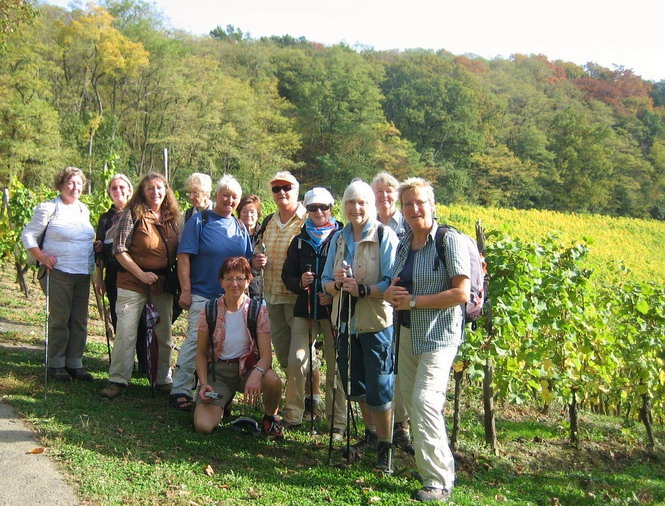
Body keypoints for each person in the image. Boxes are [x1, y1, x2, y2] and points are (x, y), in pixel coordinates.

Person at [383, 177, 470, 502]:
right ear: (402, 209)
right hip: (406, 334)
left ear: (432, 205)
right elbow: (394, 282)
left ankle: (438, 480)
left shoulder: (449, 241)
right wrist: (391, 293)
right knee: (412, 401)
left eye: (420, 202)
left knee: (424, 402)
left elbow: (461, 293)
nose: (414, 208)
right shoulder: (405, 242)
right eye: (408, 204)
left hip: (438, 336)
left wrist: (415, 301)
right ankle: (429, 470)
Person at [322, 179, 398, 472]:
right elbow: (326, 281)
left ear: (371, 206)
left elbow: (391, 282)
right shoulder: (339, 238)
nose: (356, 208)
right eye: (351, 203)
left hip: (375, 323)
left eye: (362, 203)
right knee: (356, 384)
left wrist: (363, 290)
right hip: (345, 322)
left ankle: (386, 448)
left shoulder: (385, 236)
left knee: (379, 387)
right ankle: (370, 435)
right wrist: (337, 284)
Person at [170, 175, 253, 411]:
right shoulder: (200, 221)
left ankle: (208, 389)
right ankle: (180, 389)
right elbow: (184, 256)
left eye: (234, 197)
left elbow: (246, 262)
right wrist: (186, 290)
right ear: (216, 195)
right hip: (203, 295)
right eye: (225, 195)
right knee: (196, 342)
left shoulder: (239, 226)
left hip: (231, 300)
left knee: (221, 347)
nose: (229, 200)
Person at [101, 172, 180, 399]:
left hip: (162, 284)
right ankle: (118, 380)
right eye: (150, 188)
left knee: (164, 334)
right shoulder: (132, 213)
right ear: (143, 192)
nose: (155, 192)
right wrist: (141, 274)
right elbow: (119, 250)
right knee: (126, 333)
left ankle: (163, 378)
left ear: (166, 191)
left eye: (159, 188)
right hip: (132, 282)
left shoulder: (173, 217)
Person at [193, 257, 284, 439]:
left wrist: (257, 374)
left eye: (240, 278)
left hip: (248, 370)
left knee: (273, 380)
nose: (234, 284)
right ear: (221, 282)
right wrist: (204, 383)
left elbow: (267, 356)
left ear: (248, 281)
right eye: (228, 278)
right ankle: (223, 403)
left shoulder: (258, 311)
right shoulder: (209, 310)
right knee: (203, 427)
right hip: (219, 373)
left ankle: (271, 418)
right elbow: (201, 353)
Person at [281, 187, 346, 437]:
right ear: (306, 210)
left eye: (323, 207)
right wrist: (300, 282)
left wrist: (332, 293)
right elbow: (287, 275)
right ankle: (293, 415)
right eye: (312, 208)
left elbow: (350, 273)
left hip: (333, 312)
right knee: (296, 360)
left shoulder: (342, 238)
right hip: (305, 309)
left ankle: (336, 422)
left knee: (336, 365)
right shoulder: (299, 241)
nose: (319, 212)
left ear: (331, 207)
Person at [21, 166, 96, 382]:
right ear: (61, 184)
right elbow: (28, 235)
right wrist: (42, 257)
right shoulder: (49, 208)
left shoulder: (83, 209)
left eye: (79, 183)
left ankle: (75, 363)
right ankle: (56, 363)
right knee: (60, 319)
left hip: (83, 272)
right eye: (71, 183)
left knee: (79, 321)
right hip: (59, 273)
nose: (75, 187)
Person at [252, 171, 309, 419]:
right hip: (272, 296)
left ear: (297, 191)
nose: (282, 193)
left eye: (287, 188)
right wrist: (257, 260)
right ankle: (306, 397)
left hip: (297, 298)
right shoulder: (269, 221)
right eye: (276, 189)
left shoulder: (307, 219)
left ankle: (302, 406)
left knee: (300, 356)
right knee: (286, 355)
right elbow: (257, 251)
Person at [371, 172, 412, 451]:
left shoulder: (407, 224)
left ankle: (402, 426)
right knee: (383, 364)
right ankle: (379, 427)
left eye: (388, 192)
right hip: (374, 303)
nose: (384, 197)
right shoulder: (369, 225)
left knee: (402, 363)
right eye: (379, 192)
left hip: (401, 302)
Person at [95, 174, 133, 330]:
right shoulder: (105, 219)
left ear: (129, 190)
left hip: (133, 273)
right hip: (112, 275)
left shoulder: (137, 213)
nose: (118, 190)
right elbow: (99, 252)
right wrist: (99, 279)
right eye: (114, 188)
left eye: (122, 187)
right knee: (117, 317)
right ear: (109, 192)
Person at [237, 194, 263, 299]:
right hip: (236, 287)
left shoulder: (264, 233)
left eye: (252, 212)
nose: (248, 215)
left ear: (258, 215)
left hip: (258, 289)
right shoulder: (232, 233)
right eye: (244, 211)